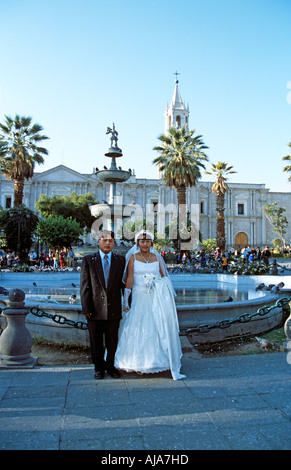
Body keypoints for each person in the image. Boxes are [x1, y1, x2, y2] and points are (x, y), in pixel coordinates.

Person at [114, 230, 186, 381]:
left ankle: (160, 360)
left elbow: (164, 277)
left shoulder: (157, 257)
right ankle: (138, 362)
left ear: (151, 242)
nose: (145, 244)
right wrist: (126, 299)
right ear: (137, 243)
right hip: (139, 298)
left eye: (147, 241)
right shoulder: (133, 257)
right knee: (138, 329)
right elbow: (129, 278)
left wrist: (158, 284)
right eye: (142, 241)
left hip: (155, 298)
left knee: (157, 328)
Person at [80, 230, 125, 380]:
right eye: (104, 240)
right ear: (98, 241)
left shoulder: (120, 260)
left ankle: (111, 366)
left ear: (114, 243)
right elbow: (85, 286)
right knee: (96, 341)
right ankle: (98, 367)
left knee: (112, 340)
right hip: (95, 307)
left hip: (114, 307)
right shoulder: (88, 260)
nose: (107, 243)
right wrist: (86, 308)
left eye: (111, 240)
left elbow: (123, 285)